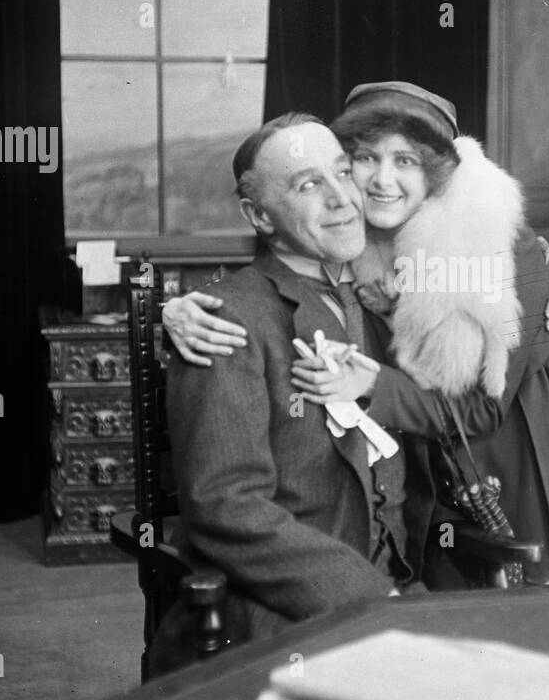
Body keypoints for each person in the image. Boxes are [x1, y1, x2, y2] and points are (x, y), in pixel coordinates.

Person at [167, 83, 549, 581]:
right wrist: (179, 309)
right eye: (363, 158)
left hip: (542, 442)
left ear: (441, 172)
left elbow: (482, 406)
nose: (382, 180)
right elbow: (276, 278)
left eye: (407, 161)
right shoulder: (353, 236)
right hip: (441, 451)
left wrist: (547, 264)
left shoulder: (501, 247)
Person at [164, 112, 432, 644]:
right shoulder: (227, 320)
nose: (343, 199)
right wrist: (376, 601)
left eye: (341, 172)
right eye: (309, 185)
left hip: (403, 586)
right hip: (292, 611)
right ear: (259, 217)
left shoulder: (377, 296)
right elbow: (226, 505)